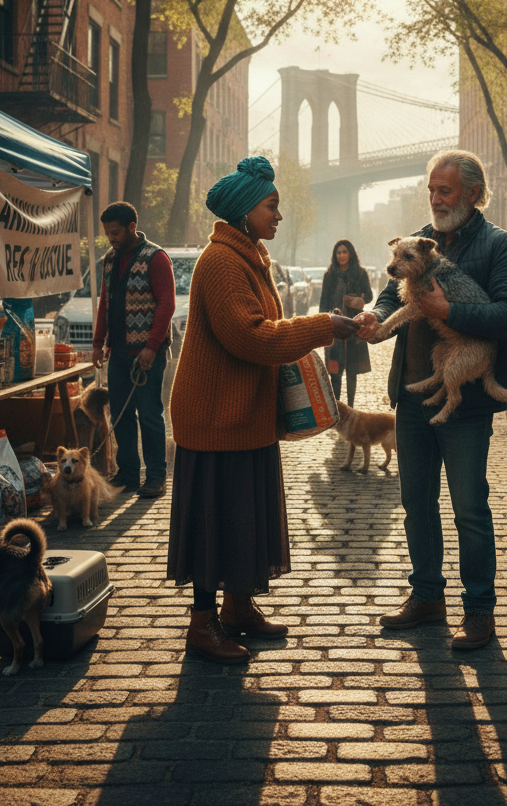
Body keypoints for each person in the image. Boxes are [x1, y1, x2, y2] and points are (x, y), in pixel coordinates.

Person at [167, 156, 359, 663]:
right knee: (214, 522)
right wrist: (322, 327)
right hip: (215, 419)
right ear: (245, 209)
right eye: (271, 206)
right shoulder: (222, 262)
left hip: (243, 416)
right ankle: (202, 625)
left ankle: (237, 609)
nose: (278, 216)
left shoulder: (248, 255)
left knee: (241, 518)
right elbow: (249, 337)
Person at [353, 150, 507, 651]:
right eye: (431, 189)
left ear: (473, 194)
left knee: (470, 507)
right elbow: (393, 295)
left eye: (445, 190)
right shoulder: (416, 239)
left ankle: (479, 612)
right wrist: (373, 314)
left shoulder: (501, 246)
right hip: (410, 399)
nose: (435, 198)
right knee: (416, 503)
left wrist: (448, 309)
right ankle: (427, 596)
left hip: (468, 403)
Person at [92, 201, 174, 499]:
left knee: (150, 413)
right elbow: (105, 302)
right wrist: (97, 343)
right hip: (118, 351)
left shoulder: (156, 258)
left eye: (115, 232)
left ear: (131, 227)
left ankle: (156, 476)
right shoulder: (110, 260)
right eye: (107, 233)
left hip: (147, 353)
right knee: (120, 415)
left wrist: (152, 347)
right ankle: (127, 473)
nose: (111, 238)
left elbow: (167, 304)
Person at [319, 239, 374, 406]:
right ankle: (337, 408)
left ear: (350, 253)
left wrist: (359, 300)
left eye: (344, 252)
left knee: (352, 371)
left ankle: (350, 406)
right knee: (335, 371)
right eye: (338, 252)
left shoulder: (360, 273)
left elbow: (370, 296)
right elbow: (323, 303)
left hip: (354, 326)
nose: (341, 255)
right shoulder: (330, 275)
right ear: (335, 255)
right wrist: (324, 323)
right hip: (334, 327)